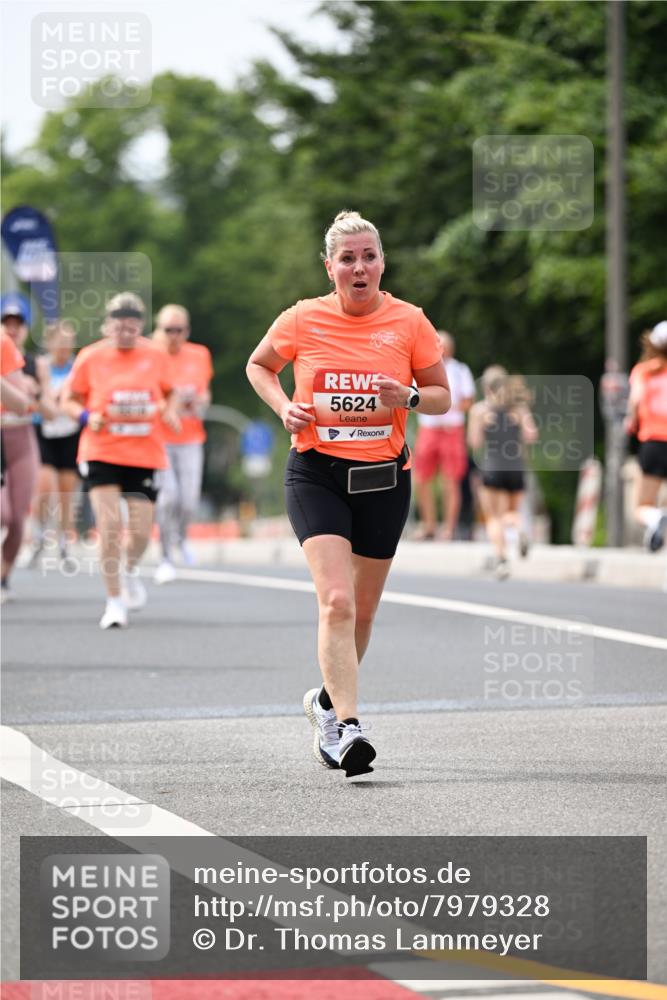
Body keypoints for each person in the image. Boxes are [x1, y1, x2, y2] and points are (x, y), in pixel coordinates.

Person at [246, 210, 450, 777]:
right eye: (347, 259)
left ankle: (324, 702)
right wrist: (283, 406)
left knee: (362, 611)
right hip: (317, 474)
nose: (359, 268)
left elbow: (441, 396)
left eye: (368, 257)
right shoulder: (302, 318)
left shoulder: (409, 321)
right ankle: (349, 728)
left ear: (382, 263)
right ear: (329, 267)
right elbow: (259, 366)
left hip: (384, 480)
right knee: (336, 601)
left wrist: (408, 396)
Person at [62, 292, 180, 629]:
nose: (124, 332)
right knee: (110, 527)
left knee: (140, 533)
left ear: (140, 326)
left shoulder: (155, 355)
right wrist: (87, 417)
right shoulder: (90, 356)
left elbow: (170, 391)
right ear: (107, 325)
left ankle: (128, 569)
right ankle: (114, 602)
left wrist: (170, 411)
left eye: (131, 326)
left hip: (144, 453)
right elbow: (68, 400)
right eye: (118, 326)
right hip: (101, 451)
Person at [151, 304, 213, 584]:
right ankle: (165, 557)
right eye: (168, 330)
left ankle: (182, 537)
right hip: (160, 438)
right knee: (168, 499)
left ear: (187, 331)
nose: (173, 336)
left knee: (188, 500)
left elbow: (205, 392)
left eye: (179, 330)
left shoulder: (199, 354)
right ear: (159, 330)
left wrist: (199, 401)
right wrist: (169, 407)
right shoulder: (151, 356)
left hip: (191, 437)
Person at [1, 296, 55, 603]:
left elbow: (50, 412)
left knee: (18, 517)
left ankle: (3, 577)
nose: (12, 329)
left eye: (17, 323)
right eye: (6, 322)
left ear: (26, 327)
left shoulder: (36, 364)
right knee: (2, 512)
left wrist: (34, 395)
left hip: (22, 438)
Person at [467, 366, 538, 579]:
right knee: (511, 512)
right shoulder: (519, 409)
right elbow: (531, 435)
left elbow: (474, 442)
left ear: (486, 387)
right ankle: (520, 528)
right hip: (516, 467)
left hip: (492, 467)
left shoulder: (480, 410)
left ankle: (501, 560)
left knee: (494, 518)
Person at [412, 331, 475, 540]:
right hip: (429, 428)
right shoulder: (422, 367)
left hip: (451, 429)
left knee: (451, 480)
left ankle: (449, 527)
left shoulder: (460, 370)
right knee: (421, 478)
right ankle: (429, 524)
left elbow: (468, 400)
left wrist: (445, 406)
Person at [30, 322, 81, 568]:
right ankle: (38, 534)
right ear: (49, 343)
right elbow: (36, 396)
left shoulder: (78, 367)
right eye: (60, 343)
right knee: (44, 486)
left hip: (70, 434)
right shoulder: (41, 366)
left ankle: (63, 542)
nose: (64, 348)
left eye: (69, 343)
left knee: (66, 492)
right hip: (44, 432)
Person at [625, 321, 667, 551]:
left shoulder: (644, 371)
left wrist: (630, 421)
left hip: (654, 441)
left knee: (642, 505)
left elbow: (635, 400)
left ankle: (654, 518)